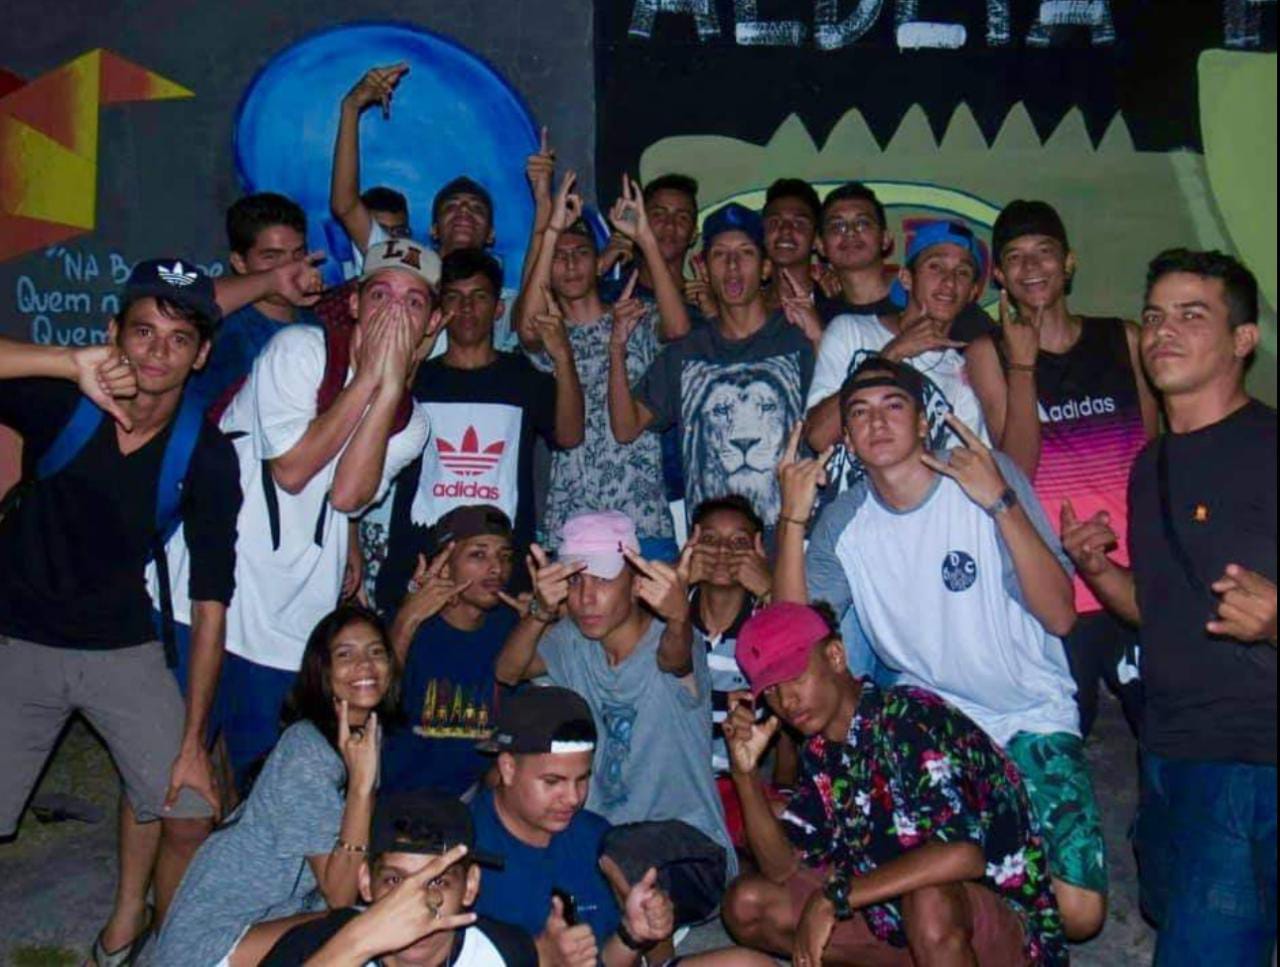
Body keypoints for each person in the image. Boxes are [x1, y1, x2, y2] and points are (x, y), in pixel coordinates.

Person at [776, 357, 1108, 940]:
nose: (877, 423)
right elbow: (790, 642)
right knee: (937, 890)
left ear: (924, 421)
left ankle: (972, 900)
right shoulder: (844, 523)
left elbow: (1059, 614)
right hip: (929, 730)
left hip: (1029, 711)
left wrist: (1000, 501)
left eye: (893, 406)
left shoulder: (981, 477)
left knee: (1079, 914)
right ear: (847, 437)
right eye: (860, 413)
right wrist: (792, 519)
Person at [0, 261, 239, 961]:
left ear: (201, 355)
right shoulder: (62, 402)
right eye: (143, 331)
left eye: (178, 338)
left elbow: (211, 601)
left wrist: (193, 740)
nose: (157, 352)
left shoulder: (205, 453)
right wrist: (65, 362)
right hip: (17, 638)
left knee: (191, 810)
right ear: (113, 333)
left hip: (120, 645)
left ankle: (139, 935)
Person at [1061, 249, 1276, 965]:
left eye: (1191, 315)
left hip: (1251, 758)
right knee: (1166, 906)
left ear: (1243, 339)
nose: (1162, 331)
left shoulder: (1269, 447)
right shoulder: (1151, 463)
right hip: (1166, 746)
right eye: (1153, 316)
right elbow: (1153, 609)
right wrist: (1097, 568)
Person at [164, 237, 437, 791]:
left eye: (412, 302)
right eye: (380, 296)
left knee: (266, 783)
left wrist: (388, 388)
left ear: (431, 323)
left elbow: (347, 496)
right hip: (206, 591)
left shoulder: (412, 421)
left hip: (292, 614)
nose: (394, 313)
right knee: (168, 778)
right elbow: (291, 469)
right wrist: (367, 378)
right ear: (354, 304)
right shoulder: (300, 350)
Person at [721, 602, 1067, 966]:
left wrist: (835, 897)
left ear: (835, 656)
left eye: (795, 677)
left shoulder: (909, 718)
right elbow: (781, 869)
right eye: (771, 690)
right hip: (899, 924)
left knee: (929, 899)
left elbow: (963, 856)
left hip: (1001, 931)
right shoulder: (820, 750)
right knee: (748, 904)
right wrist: (745, 773)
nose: (786, 701)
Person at [990, 199, 1158, 737]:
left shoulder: (1124, 339)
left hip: (1135, 575)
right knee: (1063, 739)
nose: (1031, 267)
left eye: (1044, 252)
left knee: (1163, 730)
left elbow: (1154, 456)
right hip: (1056, 588)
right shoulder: (989, 354)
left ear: (1069, 262)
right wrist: (1022, 365)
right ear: (999, 275)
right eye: (1015, 257)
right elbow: (1015, 470)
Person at [493, 510, 736, 878]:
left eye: (603, 580)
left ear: (637, 583)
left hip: (689, 845)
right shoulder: (573, 640)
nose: (586, 598)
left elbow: (675, 657)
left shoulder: (674, 639)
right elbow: (507, 672)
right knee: (500, 803)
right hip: (601, 837)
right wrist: (540, 612)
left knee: (616, 859)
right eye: (574, 581)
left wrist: (678, 617)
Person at [152, 605, 394, 965]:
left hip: (271, 922)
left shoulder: (365, 737)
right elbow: (340, 896)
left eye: (376, 652)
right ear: (323, 671)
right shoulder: (307, 750)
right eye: (346, 654)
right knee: (358, 924)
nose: (365, 665)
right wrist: (361, 787)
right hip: (211, 942)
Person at [375, 248, 582, 607]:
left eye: (479, 297)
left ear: (498, 308)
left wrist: (563, 357)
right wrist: (413, 358)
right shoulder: (418, 378)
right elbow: (380, 435)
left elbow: (570, 436)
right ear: (439, 309)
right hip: (421, 560)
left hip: (503, 566)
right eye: (454, 297)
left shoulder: (523, 377)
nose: (467, 308)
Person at [609, 203, 818, 536]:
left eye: (745, 253)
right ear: (704, 270)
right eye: (720, 254)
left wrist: (819, 338)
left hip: (794, 534)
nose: (732, 265)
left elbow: (839, 419)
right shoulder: (687, 352)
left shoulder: (798, 339)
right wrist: (616, 347)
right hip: (713, 545)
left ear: (766, 267)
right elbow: (625, 427)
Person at [517, 171, 686, 559]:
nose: (570, 264)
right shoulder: (552, 333)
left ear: (598, 263)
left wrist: (645, 238)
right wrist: (550, 232)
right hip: (574, 516)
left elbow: (678, 328)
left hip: (642, 512)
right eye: (559, 257)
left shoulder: (631, 316)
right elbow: (525, 329)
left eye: (580, 253)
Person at [470, 686, 680, 966]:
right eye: (553, 781)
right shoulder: (462, 852)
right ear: (508, 768)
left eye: (582, 779)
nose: (572, 798)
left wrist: (634, 934)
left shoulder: (596, 838)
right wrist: (541, 959)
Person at [805, 219, 1006, 501]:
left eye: (962, 272)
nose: (949, 282)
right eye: (935, 267)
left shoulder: (961, 372)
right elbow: (817, 436)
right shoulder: (850, 330)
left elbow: (961, 476)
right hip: (841, 514)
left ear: (973, 292)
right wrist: (892, 354)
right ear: (906, 278)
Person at [329, 63, 519, 350]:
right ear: (433, 229)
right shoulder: (406, 263)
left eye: (476, 208)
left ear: (492, 233)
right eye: (452, 207)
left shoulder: (503, 295)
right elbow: (345, 205)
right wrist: (351, 107)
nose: (464, 212)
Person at [261, 791, 536, 966]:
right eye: (395, 881)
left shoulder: (504, 952)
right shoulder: (313, 946)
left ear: (470, 885)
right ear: (366, 882)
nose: (415, 906)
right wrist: (355, 947)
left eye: (438, 882)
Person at [381, 505, 521, 796]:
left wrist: (541, 618)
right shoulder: (403, 628)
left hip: (476, 803)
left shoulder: (512, 626)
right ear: (445, 566)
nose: (497, 568)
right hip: (401, 800)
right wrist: (407, 620)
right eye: (478, 555)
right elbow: (374, 708)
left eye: (505, 556)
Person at [188, 193, 316, 409]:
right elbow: (185, 301)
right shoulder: (224, 335)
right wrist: (273, 281)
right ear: (239, 263)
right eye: (271, 257)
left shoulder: (318, 322)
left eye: (297, 254)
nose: (291, 269)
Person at [761, 178, 824, 310]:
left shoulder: (834, 309)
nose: (785, 230)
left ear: (815, 239)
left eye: (799, 223)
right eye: (775, 222)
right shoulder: (744, 308)